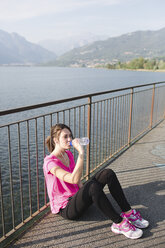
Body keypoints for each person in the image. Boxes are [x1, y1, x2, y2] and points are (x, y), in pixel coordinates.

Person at [43, 123, 149, 240]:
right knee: (93, 186)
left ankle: (128, 212)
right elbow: (72, 178)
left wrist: (86, 194)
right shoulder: (50, 163)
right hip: (66, 208)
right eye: (65, 137)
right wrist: (81, 154)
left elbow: (77, 181)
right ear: (55, 140)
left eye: (70, 136)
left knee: (107, 173)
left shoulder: (67, 154)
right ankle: (119, 223)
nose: (70, 139)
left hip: (76, 198)